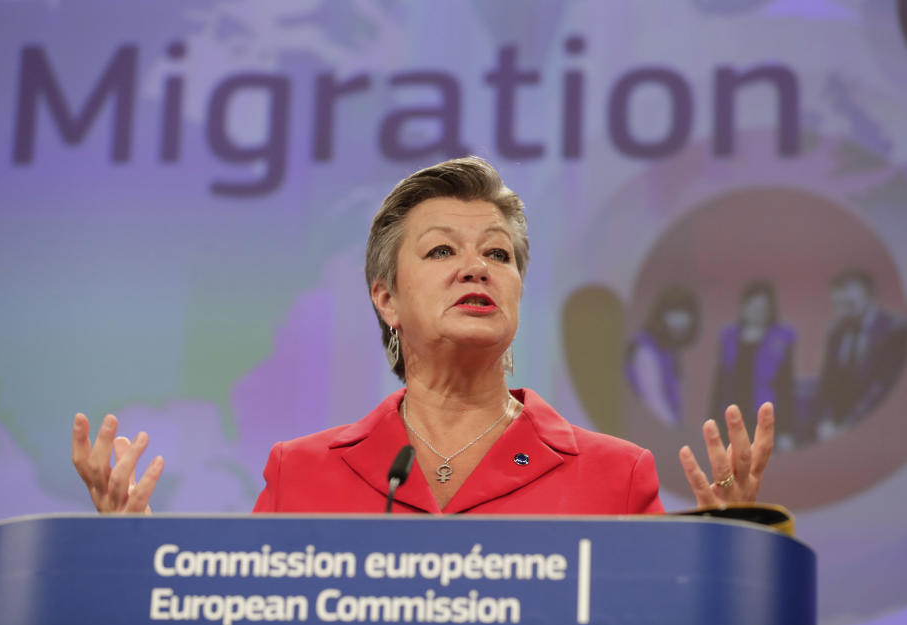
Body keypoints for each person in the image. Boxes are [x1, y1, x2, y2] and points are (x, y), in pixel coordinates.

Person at [71, 157, 775, 515]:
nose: (476, 266)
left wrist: (734, 557)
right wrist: (128, 556)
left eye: (497, 254)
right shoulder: (301, 475)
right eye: (441, 251)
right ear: (385, 298)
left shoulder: (613, 476)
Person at [815, 269, 907, 441]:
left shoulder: (895, 331)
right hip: (836, 430)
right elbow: (828, 382)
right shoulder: (835, 333)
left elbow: (883, 386)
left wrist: (852, 425)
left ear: (870, 294)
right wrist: (825, 421)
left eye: (850, 294)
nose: (843, 300)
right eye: (839, 296)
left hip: (880, 428)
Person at [709, 281, 796, 450]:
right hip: (730, 417)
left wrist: (786, 429)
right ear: (743, 307)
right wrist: (711, 419)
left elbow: (785, 386)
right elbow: (720, 381)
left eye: (763, 307)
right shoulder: (729, 336)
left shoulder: (782, 338)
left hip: (764, 418)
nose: (758, 311)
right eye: (753, 306)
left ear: (771, 310)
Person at [625, 286, 699, 428]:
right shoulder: (645, 349)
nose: (681, 320)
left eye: (686, 314)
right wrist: (674, 431)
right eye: (675, 313)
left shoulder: (670, 349)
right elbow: (653, 399)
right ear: (660, 315)